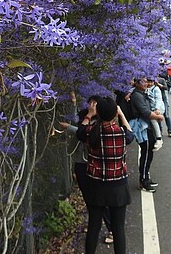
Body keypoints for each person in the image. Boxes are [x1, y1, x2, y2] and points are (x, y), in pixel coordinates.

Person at [76, 96, 133, 254]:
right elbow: (130, 133)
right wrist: (121, 115)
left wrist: (89, 115)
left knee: (94, 227)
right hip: (118, 186)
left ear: (98, 113)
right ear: (115, 113)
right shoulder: (122, 134)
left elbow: (80, 131)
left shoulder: (91, 133)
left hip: (95, 185)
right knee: (118, 229)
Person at [59, 97, 114, 244]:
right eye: (90, 103)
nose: (91, 106)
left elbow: (82, 133)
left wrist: (86, 118)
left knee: (100, 200)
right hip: (81, 163)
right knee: (89, 199)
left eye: (95, 104)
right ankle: (94, 226)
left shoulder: (100, 123)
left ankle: (112, 229)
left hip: (93, 164)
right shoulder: (84, 117)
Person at [127, 78, 164, 192]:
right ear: (137, 83)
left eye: (146, 82)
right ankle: (143, 181)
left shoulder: (141, 93)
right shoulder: (137, 95)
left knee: (149, 152)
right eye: (142, 82)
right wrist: (158, 117)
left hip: (147, 127)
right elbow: (145, 112)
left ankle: (146, 177)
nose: (145, 84)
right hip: (142, 128)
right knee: (146, 153)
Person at [146, 78, 165, 151]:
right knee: (152, 123)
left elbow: (159, 99)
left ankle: (159, 138)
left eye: (151, 82)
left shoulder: (156, 89)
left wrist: (157, 109)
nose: (150, 84)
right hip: (152, 108)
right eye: (148, 82)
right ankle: (156, 137)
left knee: (153, 120)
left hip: (159, 108)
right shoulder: (147, 89)